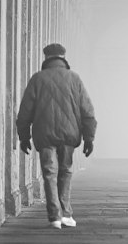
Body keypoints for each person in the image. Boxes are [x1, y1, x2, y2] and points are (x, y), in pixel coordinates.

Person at [16, 43, 96, 229]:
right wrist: (89, 137)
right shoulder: (74, 79)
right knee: (65, 172)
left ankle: (54, 216)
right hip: (69, 133)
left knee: (49, 173)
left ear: (46, 58)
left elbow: (25, 111)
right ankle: (66, 213)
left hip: (45, 134)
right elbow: (87, 111)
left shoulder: (37, 79)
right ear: (63, 57)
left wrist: (24, 136)